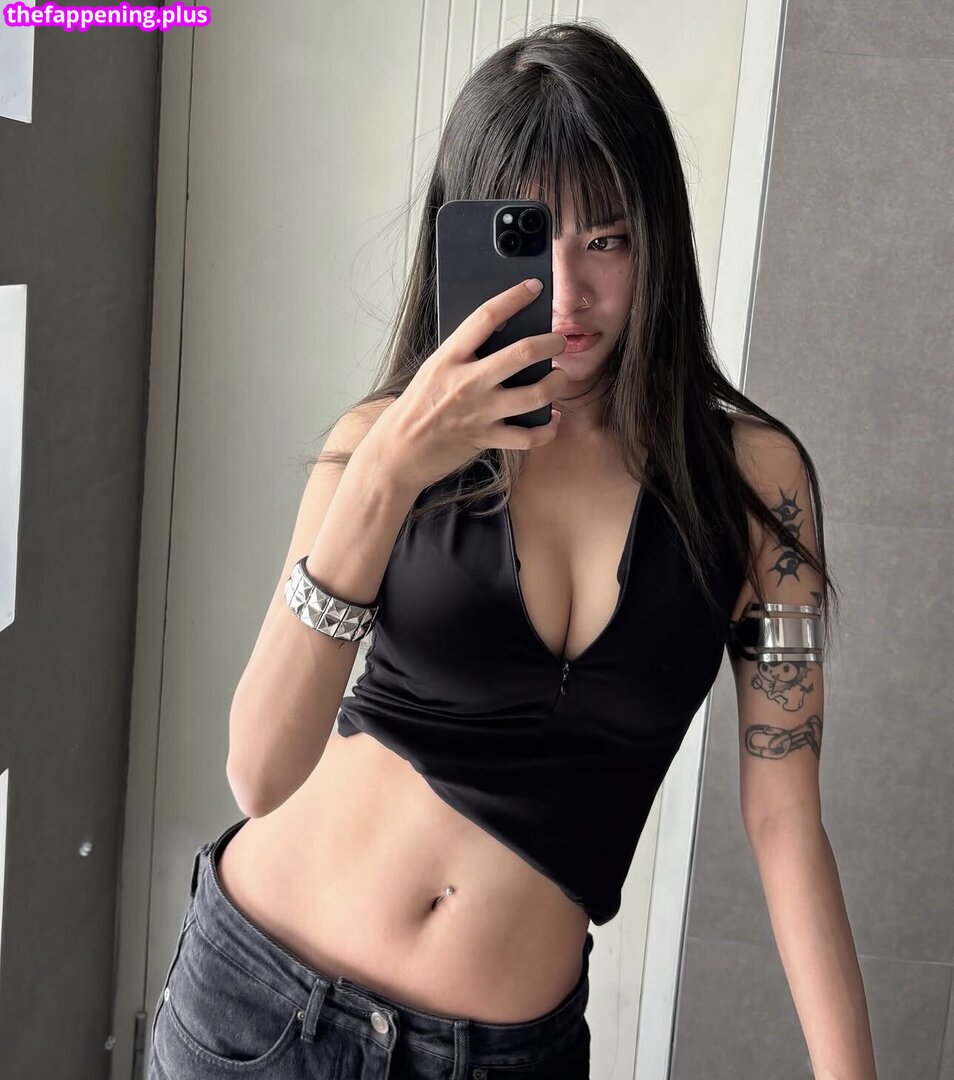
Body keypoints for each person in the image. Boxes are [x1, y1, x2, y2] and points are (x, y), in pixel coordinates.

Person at [148, 21, 860, 1080]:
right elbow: (258, 773)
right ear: (468, 235)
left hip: (497, 1056)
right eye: (532, 237)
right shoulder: (381, 445)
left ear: (657, 240)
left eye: (607, 239)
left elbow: (785, 818)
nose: (569, 293)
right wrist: (390, 471)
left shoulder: (757, 486)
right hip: (259, 1004)